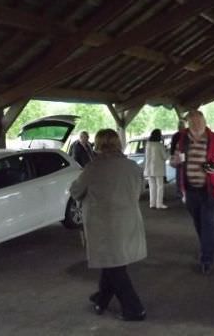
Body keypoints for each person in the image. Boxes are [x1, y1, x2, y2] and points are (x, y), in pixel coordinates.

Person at [70, 129, 147, 322]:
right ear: (118, 143)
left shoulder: (93, 168)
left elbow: (76, 191)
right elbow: (140, 189)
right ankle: (101, 299)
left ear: (97, 145)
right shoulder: (132, 166)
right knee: (113, 262)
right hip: (129, 221)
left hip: (105, 225)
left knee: (115, 267)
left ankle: (135, 309)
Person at [172, 110, 214, 275]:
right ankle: (207, 246)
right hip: (190, 189)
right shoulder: (183, 140)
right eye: (192, 123)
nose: (196, 125)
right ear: (188, 124)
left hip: (208, 189)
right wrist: (174, 161)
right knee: (198, 222)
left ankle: (207, 258)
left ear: (204, 121)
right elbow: (174, 160)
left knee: (207, 222)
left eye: (199, 122)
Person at [144, 129, 168, 209]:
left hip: (149, 168)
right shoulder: (159, 145)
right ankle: (159, 204)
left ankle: (152, 203)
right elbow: (165, 157)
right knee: (160, 186)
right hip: (158, 169)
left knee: (152, 186)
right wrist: (167, 151)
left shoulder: (148, 144)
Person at [170, 120, 186, 198]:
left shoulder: (175, 135)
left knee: (179, 173)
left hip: (178, 156)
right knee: (183, 173)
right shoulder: (187, 134)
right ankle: (182, 190)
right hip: (184, 156)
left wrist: (172, 155)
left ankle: (180, 191)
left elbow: (172, 147)